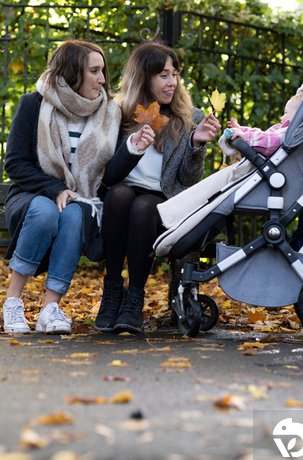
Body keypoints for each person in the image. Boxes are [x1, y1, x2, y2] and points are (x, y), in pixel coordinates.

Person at [2, 40, 132, 334]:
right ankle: (12, 302)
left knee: (73, 215)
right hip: (32, 195)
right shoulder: (34, 104)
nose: (102, 79)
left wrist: (132, 150)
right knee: (47, 211)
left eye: (103, 71)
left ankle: (50, 309)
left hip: (82, 201)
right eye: (94, 71)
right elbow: (15, 163)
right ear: (73, 72)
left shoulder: (110, 113)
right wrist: (55, 188)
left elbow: (110, 174)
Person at [94, 41, 221, 334]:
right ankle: (112, 292)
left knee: (142, 206)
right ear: (144, 76)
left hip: (162, 203)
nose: (172, 82)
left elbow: (188, 183)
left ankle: (134, 299)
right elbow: (107, 176)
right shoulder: (117, 113)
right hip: (118, 199)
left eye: (174, 74)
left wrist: (195, 144)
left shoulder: (190, 118)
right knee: (120, 194)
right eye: (163, 74)